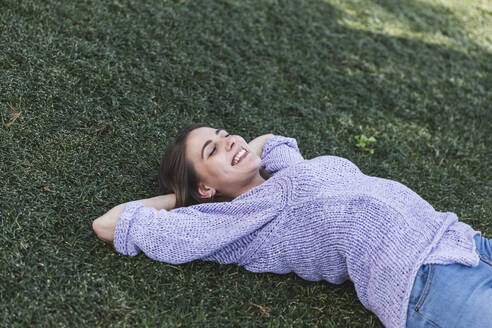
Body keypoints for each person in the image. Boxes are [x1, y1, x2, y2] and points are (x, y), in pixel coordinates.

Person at [92, 123, 492, 328]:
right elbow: (108, 224)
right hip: (422, 281)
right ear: (205, 187)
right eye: (212, 150)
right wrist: (182, 198)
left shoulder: (286, 167)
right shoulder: (234, 223)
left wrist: (236, 160)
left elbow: (267, 140)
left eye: (224, 134)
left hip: (464, 241)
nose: (230, 141)